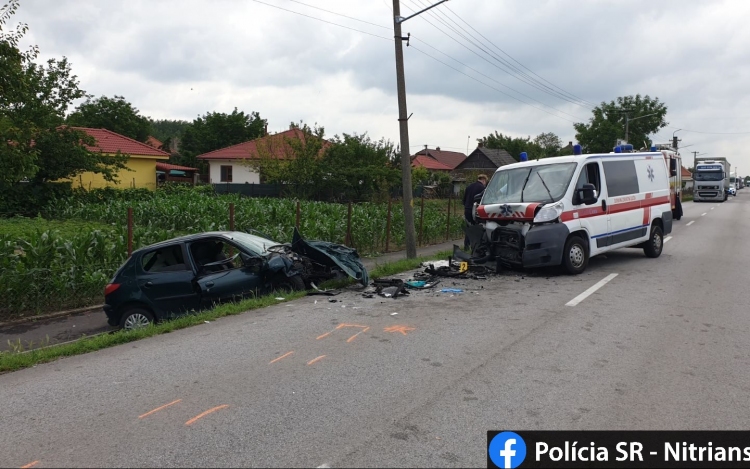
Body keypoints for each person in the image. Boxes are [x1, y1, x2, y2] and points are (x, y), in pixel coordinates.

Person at [463, 174, 488, 250]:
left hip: (467, 209)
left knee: (469, 228)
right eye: (485, 182)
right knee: (477, 229)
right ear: (484, 180)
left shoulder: (469, 186)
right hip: (476, 211)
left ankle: (466, 246)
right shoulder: (482, 188)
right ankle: (475, 246)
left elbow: (464, 200)